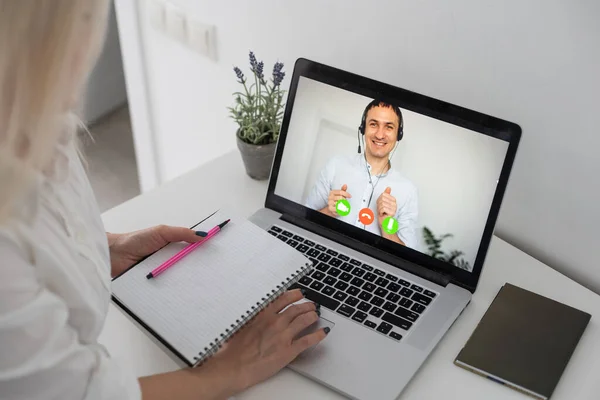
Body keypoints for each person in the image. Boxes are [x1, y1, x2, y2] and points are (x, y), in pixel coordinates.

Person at [0, 2, 327, 400]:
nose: (92, 47)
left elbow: (45, 226)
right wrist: (230, 370)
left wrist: (108, 248)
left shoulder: (40, 122)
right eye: (86, 21)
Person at [305, 99, 419, 249]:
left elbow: (409, 257)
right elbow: (304, 220)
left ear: (399, 134)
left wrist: (387, 227)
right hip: (326, 248)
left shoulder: (408, 190)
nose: (380, 134)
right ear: (363, 128)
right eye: (373, 124)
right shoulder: (336, 165)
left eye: (389, 127)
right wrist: (329, 212)